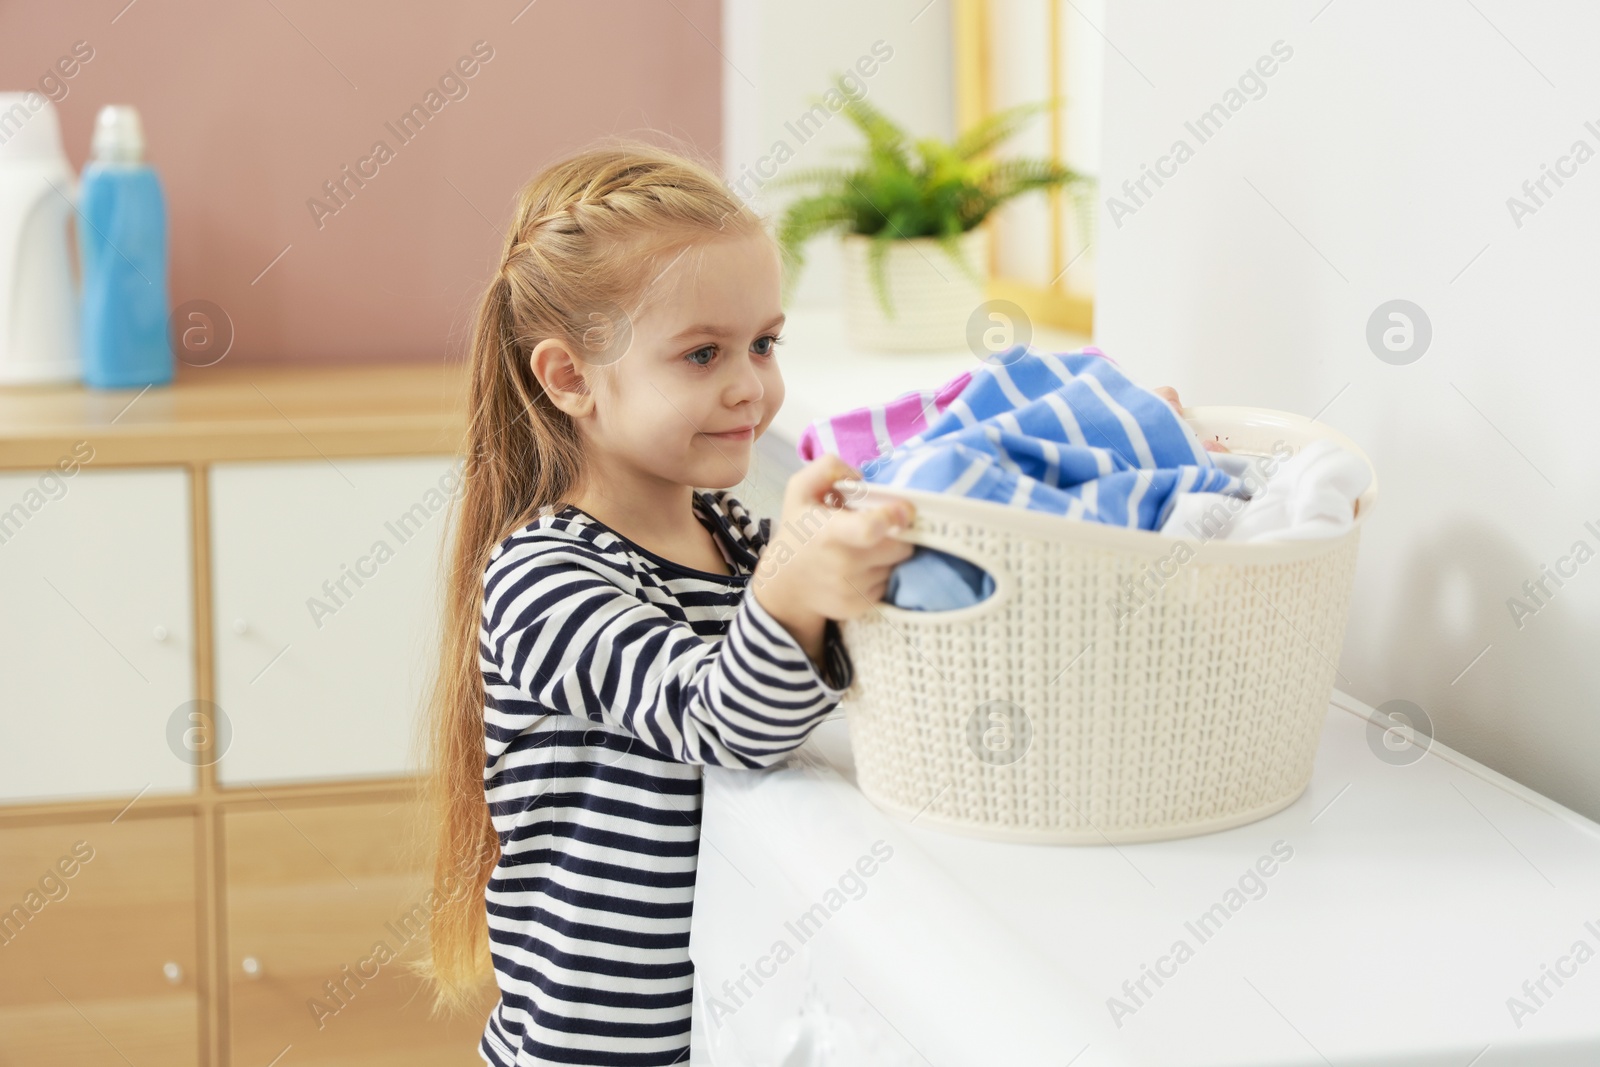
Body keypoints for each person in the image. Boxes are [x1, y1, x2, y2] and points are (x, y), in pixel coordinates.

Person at [414, 138, 915, 1067]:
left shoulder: (730, 534)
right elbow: (723, 718)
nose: (750, 386)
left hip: (713, 1021)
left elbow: (849, 653)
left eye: (764, 343)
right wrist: (799, 581)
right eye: (702, 354)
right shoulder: (543, 580)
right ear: (569, 378)